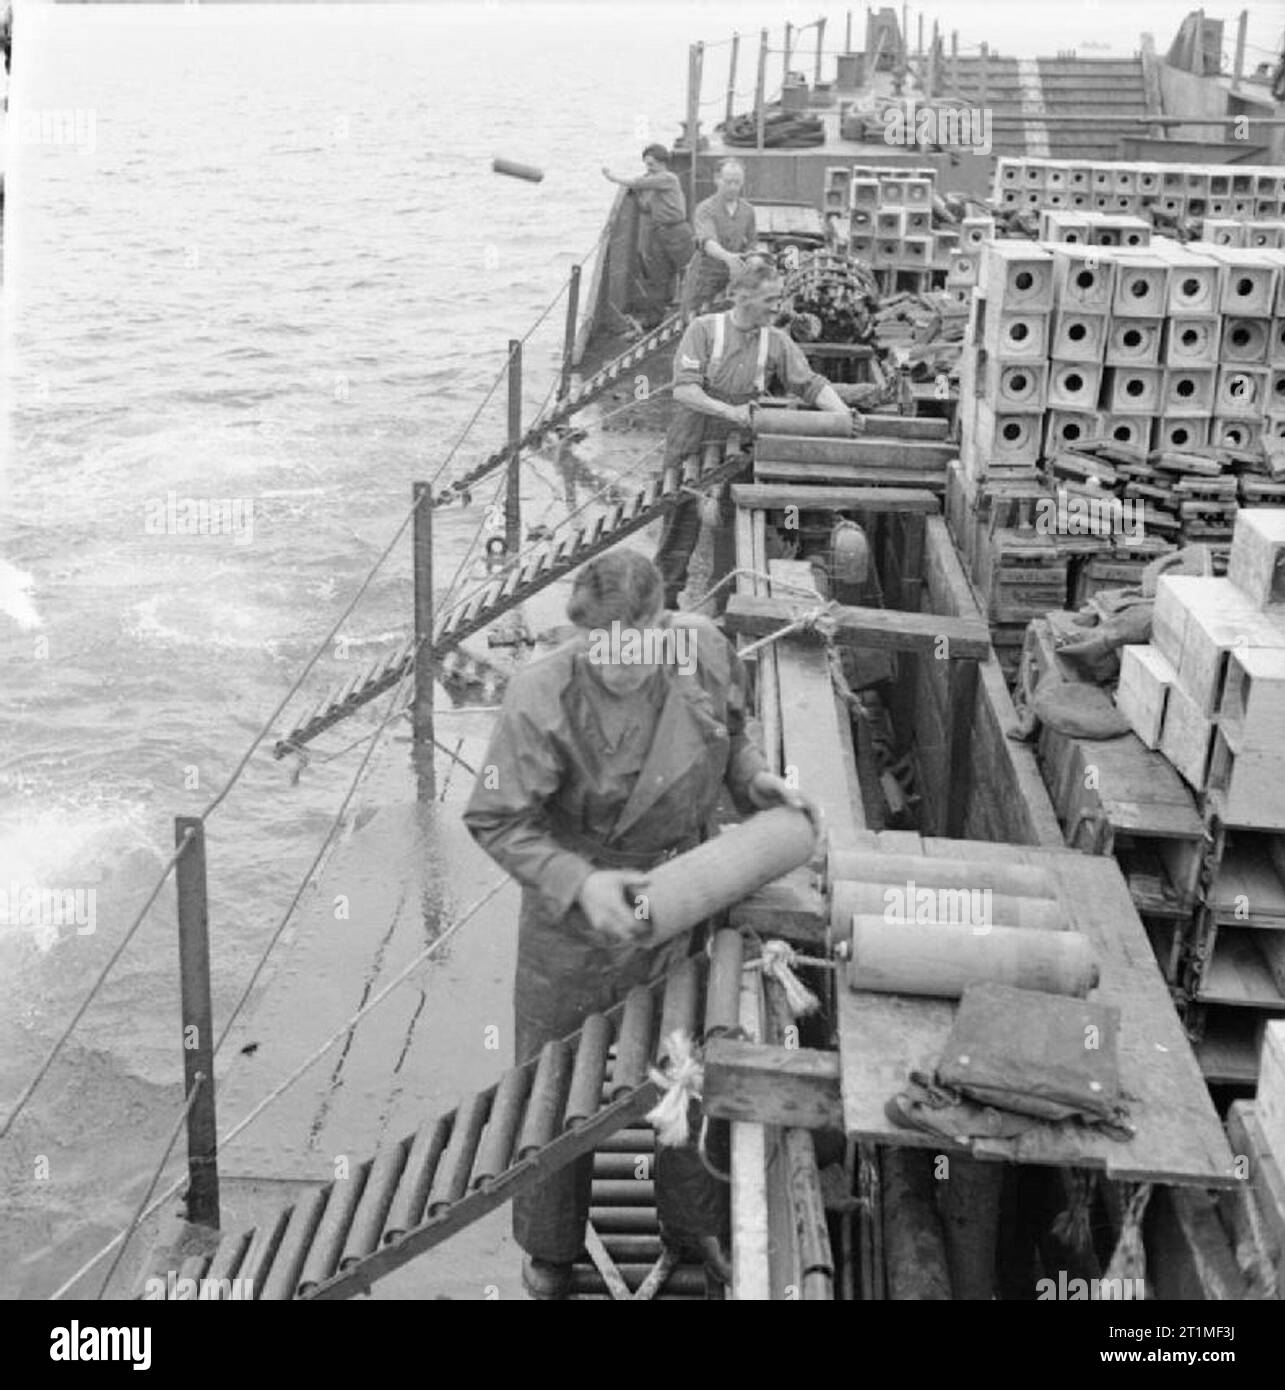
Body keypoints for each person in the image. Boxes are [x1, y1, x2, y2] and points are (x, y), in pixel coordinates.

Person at [463, 548, 817, 1299]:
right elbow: (495, 817)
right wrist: (578, 882)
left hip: (681, 895)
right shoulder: (538, 694)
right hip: (575, 921)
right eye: (598, 645)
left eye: (633, 642)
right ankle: (550, 1248)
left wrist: (758, 781)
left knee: (685, 1065)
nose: (615, 662)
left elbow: (730, 735)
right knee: (554, 1086)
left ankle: (694, 1226)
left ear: (662, 621)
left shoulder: (706, 649)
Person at [655, 259, 855, 611]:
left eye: (779, 299)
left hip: (738, 446)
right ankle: (662, 610)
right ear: (742, 297)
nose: (778, 307)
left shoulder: (775, 341)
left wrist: (843, 414)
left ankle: (727, 608)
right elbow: (684, 390)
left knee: (735, 527)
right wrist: (729, 411)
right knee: (678, 531)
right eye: (770, 300)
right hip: (692, 437)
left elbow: (809, 384)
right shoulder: (703, 330)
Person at [602, 146, 695, 331]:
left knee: (690, 271)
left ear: (662, 163)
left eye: (651, 164)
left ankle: (693, 312)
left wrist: (612, 177)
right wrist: (637, 194)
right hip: (659, 233)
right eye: (646, 164)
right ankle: (655, 319)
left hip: (677, 231)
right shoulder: (654, 187)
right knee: (658, 277)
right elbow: (645, 207)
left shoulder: (668, 178)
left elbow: (637, 183)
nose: (648, 168)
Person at [680, 159, 757, 316]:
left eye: (737, 182)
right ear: (717, 179)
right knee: (693, 316)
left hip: (734, 273)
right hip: (706, 272)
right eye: (728, 182)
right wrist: (729, 258)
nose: (733, 187)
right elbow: (708, 242)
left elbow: (752, 243)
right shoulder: (705, 209)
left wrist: (752, 260)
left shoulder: (748, 211)